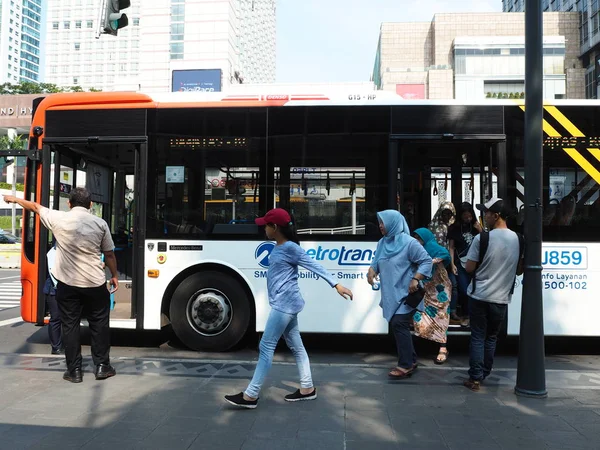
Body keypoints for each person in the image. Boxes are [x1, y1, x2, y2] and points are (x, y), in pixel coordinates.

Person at [225, 208, 353, 409]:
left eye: (266, 225)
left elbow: (314, 265)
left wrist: (336, 284)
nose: (264, 229)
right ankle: (307, 388)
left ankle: (251, 395)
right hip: (286, 303)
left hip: (285, 305)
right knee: (297, 346)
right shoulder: (279, 246)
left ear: (274, 227)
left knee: (266, 347)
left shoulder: (291, 248)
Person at [3, 188, 119, 384]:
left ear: (69, 204)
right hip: (94, 283)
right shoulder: (100, 224)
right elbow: (109, 254)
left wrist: (14, 199)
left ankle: (74, 371)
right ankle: (102, 366)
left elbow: (35, 207)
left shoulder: (59, 218)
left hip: (67, 284)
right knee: (99, 324)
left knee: (70, 326)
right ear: (91, 205)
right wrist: (114, 275)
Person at [463, 198, 523, 391]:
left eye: (486, 212)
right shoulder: (518, 239)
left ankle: (475, 378)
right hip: (501, 298)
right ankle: (484, 372)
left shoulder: (483, 238)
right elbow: (519, 270)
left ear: (496, 216)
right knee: (491, 337)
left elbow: (470, 267)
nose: (484, 216)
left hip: (479, 295)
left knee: (478, 336)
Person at [367, 210, 432, 379]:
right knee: (397, 325)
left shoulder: (410, 243)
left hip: (407, 293)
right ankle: (410, 359)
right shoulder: (382, 242)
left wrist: (416, 279)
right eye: (380, 222)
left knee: (398, 324)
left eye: (383, 222)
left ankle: (405, 365)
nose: (380, 226)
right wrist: (372, 270)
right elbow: (376, 261)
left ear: (393, 223)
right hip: (391, 293)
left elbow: (426, 261)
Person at [411, 228, 452, 365]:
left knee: (441, 316)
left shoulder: (434, 248)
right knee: (420, 316)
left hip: (440, 289)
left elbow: (445, 255)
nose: (417, 240)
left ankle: (443, 348)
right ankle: (421, 345)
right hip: (426, 288)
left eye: (419, 237)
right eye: (415, 237)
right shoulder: (417, 250)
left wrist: (431, 261)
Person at [447, 202, 482, 323]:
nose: (468, 219)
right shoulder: (454, 228)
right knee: (464, 289)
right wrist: (452, 264)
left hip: (475, 263)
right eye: (465, 216)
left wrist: (480, 230)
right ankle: (466, 313)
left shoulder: (476, 227)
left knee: (476, 289)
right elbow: (451, 247)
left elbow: (486, 242)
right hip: (460, 263)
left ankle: (472, 314)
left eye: (470, 216)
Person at [45, 241, 62, 355]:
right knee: (56, 318)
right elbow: (53, 273)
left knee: (60, 319)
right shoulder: (53, 252)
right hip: (54, 289)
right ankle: (56, 347)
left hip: (58, 288)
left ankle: (58, 346)